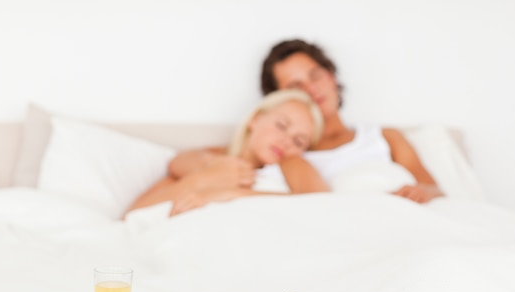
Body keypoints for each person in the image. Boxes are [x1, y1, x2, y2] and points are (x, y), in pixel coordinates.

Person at [260, 39, 443, 203]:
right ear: (280, 99)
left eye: (315, 76)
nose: (311, 89)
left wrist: (420, 192)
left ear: (331, 77)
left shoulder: (386, 137)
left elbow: (434, 189)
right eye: (296, 86)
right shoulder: (283, 152)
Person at [125, 89, 324, 216]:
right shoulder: (207, 161)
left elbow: (324, 207)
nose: (286, 141)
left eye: (299, 142)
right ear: (255, 119)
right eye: (281, 125)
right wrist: (203, 179)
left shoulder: (291, 165)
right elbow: (133, 216)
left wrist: (230, 194)